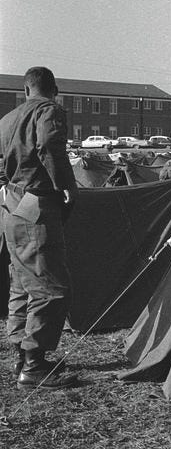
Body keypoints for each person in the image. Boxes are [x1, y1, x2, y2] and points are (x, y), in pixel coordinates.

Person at [1, 67, 79, 389]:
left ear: (25, 88)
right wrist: (67, 186)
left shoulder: (7, 119)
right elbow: (49, 143)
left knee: (21, 283)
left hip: (11, 207)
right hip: (37, 205)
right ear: (54, 89)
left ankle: (23, 354)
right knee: (52, 288)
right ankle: (34, 366)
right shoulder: (48, 111)